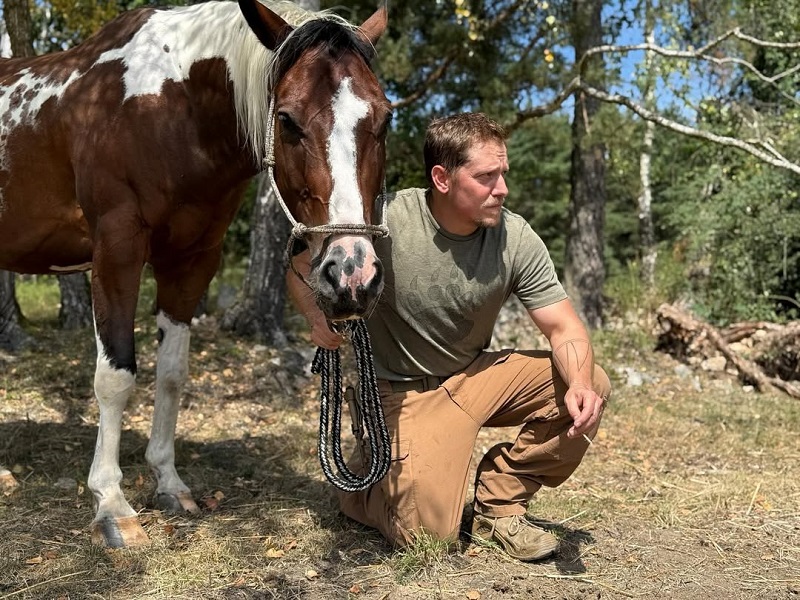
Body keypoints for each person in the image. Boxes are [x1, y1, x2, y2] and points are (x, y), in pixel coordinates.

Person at [287, 112, 610, 562]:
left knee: (589, 381)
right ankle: (363, 485)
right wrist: (314, 315)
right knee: (429, 536)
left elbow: (564, 327)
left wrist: (577, 382)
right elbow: (301, 264)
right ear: (441, 178)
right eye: (486, 177)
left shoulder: (514, 237)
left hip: (472, 376)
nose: (502, 189)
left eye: (503, 174)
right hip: (398, 394)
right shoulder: (383, 219)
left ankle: (498, 505)